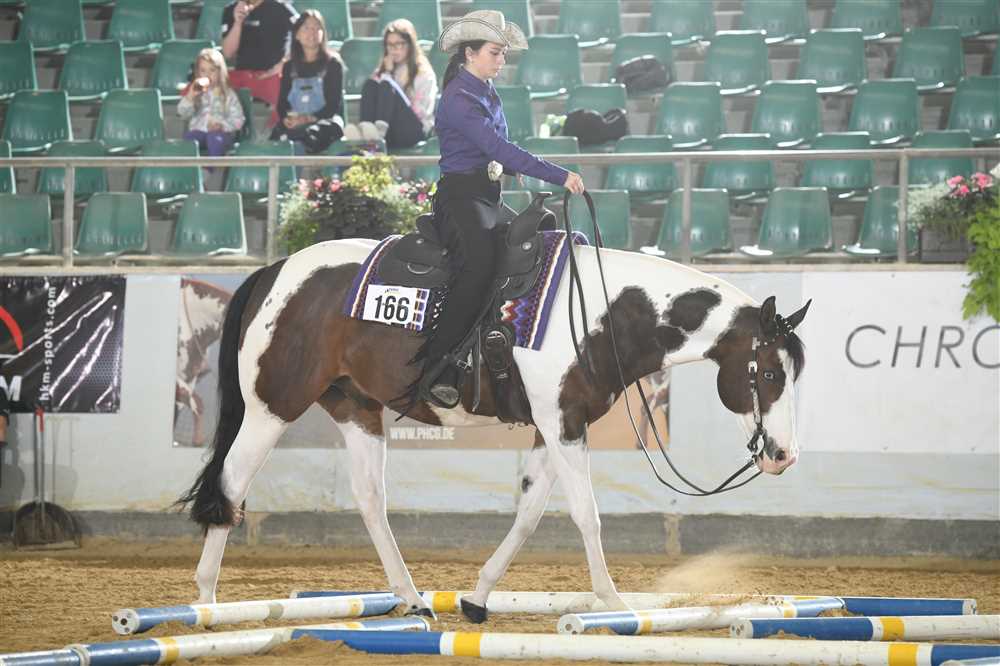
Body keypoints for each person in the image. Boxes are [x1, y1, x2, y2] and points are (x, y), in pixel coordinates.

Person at [414, 10, 586, 408]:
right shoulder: (460, 97)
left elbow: (491, 148)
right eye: (495, 52)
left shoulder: (484, 91)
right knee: (478, 266)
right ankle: (437, 366)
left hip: (486, 196)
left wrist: (509, 168)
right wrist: (558, 175)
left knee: (527, 254)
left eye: (503, 53)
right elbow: (498, 146)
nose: (502, 59)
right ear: (470, 53)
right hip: (461, 199)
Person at [345, 19, 437, 149]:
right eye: (389, 45)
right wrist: (387, 72)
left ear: (410, 45)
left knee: (386, 85)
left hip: (414, 129)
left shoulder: (423, 72)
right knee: (370, 84)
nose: (394, 49)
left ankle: (378, 135)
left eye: (399, 44)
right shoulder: (386, 69)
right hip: (391, 130)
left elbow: (422, 111)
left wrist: (390, 80)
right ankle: (366, 131)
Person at [269, 10, 345, 154]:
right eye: (306, 28)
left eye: (317, 28)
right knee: (277, 137)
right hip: (295, 121)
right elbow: (282, 103)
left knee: (318, 133)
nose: (312, 32)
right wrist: (287, 119)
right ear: (297, 34)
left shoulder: (333, 64)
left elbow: (333, 106)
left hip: (323, 121)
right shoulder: (289, 66)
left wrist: (309, 119)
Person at [221, 0, 298, 117]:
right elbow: (228, 53)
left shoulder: (281, 7)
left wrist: (282, 64)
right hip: (243, 75)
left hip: (273, 75)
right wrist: (238, 22)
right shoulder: (232, 9)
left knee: (284, 93)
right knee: (216, 85)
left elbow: (306, 33)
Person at [178, 48, 246, 157]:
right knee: (188, 139)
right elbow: (182, 113)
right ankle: (189, 167)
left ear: (220, 72)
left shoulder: (228, 95)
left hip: (221, 134)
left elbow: (238, 119)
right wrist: (190, 96)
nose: (207, 75)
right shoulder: (196, 93)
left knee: (214, 138)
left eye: (212, 70)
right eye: (203, 71)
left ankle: (212, 167)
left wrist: (222, 126)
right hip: (199, 131)